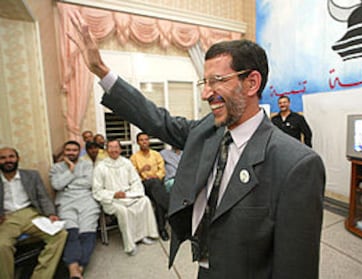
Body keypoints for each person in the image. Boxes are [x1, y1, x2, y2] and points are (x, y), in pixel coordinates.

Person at [71, 14, 325, 278]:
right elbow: (158, 120)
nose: (205, 93)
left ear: (251, 83)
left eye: (217, 81)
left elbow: (297, 267)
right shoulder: (206, 131)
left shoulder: (296, 164)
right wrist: (101, 70)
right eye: (205, 83)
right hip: (205, 267)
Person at [0, 147, 67, 279]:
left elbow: (43, 197)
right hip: (7, 218)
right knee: (2, 246)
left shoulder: (31, 175)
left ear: (17, 159)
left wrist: (50, 214)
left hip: (30, 214)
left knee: (60, 234)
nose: (8, 160)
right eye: (3, 158)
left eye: (11, 156)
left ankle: (40, 276)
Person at [93, 139, 159, 255]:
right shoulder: (100, 167)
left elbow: (135, 181)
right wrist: (113, 194)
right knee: (123, 211)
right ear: (107, 150)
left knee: (144, 201)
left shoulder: (126, 163)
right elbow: (97, 190)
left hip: (127, 195)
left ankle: (143, 235)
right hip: (111, 199)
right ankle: (130, 244)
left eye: (116, 147)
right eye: (111, 147)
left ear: (120, 149)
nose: (114, 150)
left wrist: (133, 193)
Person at [49, 141, 100, 279]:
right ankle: (75, 269)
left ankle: (77, 270)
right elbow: (57, 185)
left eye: (74, 150)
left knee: (87, 233)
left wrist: (68, 183)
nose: (71, 153)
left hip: (86, 201)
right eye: (68, 150)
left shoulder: (87, 165)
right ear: (64, 152)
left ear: (79, 152)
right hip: (65, 203)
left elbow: (89, 183)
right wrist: (71, 170)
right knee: (71, 233)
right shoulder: (56, 168)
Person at [130, 132, 170, 241]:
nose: (144, 142)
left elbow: (162, 170)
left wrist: (155, 175)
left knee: (158, 201)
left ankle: (162, 229)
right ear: (138, 142)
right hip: (144, 184)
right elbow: (132, 176)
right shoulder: (134, 158)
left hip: (157, 183)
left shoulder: (156, 155)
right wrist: (141, 171)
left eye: (146, 139)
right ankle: (170, 209)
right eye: (141, 140)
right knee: (155, 186)